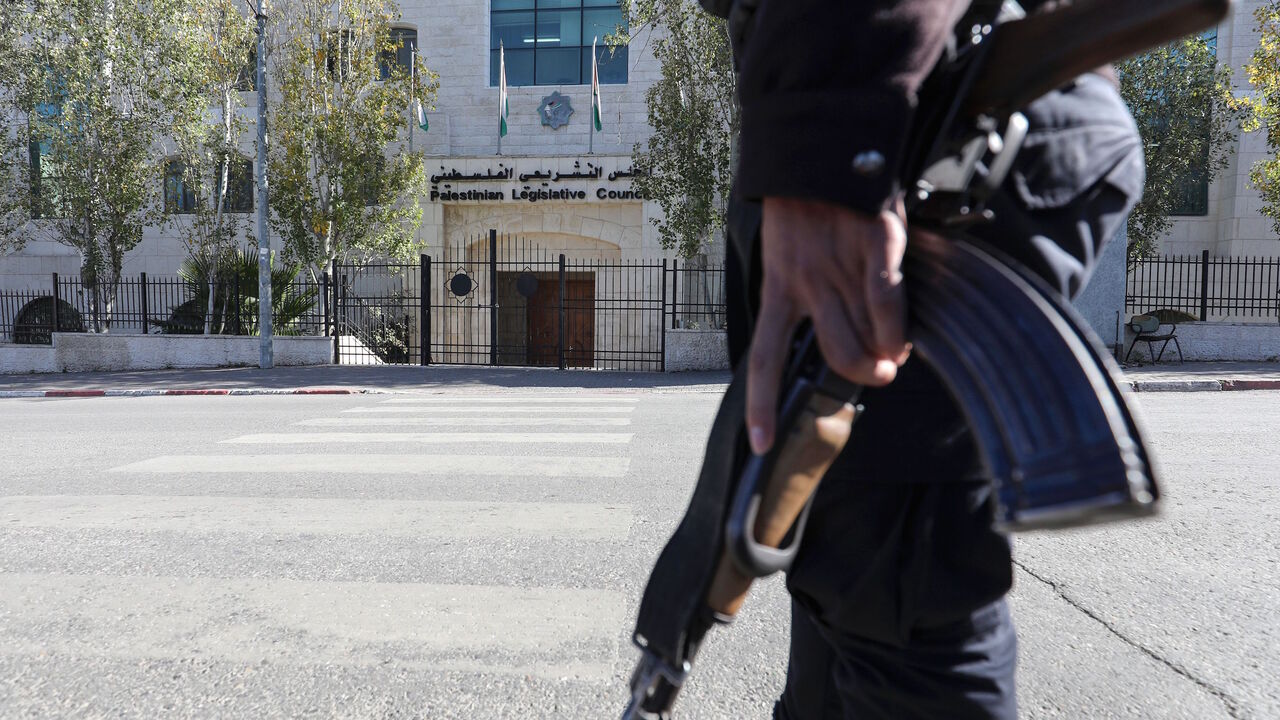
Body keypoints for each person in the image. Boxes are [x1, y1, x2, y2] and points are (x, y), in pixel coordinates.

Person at [717, 0, 1146, 717]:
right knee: (843, 569)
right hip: (911, 105)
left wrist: (831, 133)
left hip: (918, 122)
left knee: (899, 611)